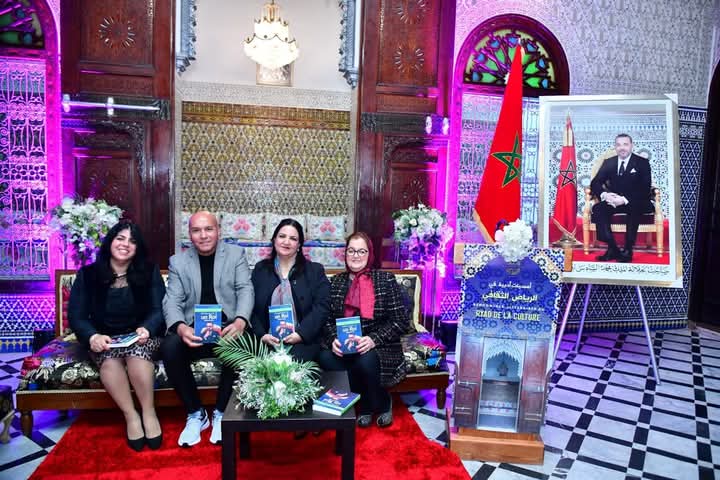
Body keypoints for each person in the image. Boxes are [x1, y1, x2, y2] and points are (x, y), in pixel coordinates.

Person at [68, 221, 165, 452]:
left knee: (138, 357)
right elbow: (76, 316)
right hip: (105, 338)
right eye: (120, 238)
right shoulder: (88, 274)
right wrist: (92, 336)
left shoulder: (149, 271)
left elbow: (159, 309)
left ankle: (148, 412)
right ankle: (131, 416)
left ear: (137, 248)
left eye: (132, 241)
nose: (125, 244)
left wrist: (148, 328)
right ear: (110, 241)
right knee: (110, 362)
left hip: (141, 336)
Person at [161, 211, 254, 447]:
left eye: (208, 229)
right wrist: (181, 328)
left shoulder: (235, 254)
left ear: (218, 231)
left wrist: (240, 321)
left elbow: (245, 289)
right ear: (190, 235)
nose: (203, 235)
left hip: (226, 327)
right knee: (170, 346)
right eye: (196, 230)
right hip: (194, 331)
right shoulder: (178, 262)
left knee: (242, 342)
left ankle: (221, 413)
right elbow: (172, 300)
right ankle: (196, 413)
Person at [317, 231, 408, 428]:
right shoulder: (335, 282)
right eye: (351, 251)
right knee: (325, 357)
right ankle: (368, 398)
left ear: (369, 254)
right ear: (345, 254)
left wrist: (373, 339)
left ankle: (374, 404)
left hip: (379, 346)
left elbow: (401, 321)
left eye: (361, 251)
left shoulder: (385, 280)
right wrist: (334, 340)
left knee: (364, 359)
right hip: (345, 345)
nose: (356, 255)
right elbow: (326, 320)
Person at [250, 218, 330, 363]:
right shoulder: (260, 269)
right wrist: (262, 335)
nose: (286, 242)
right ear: (274, 240)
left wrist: (301, 334)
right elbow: (251, 307)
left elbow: (322, 308)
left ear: (299, 245)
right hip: (266, 340)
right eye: (282, 236)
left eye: (293, 239)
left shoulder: (314, 271)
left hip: (303, 341)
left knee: (290, 365)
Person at [590, 133, 653, 262]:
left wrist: (624, 200)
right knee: (598, 208)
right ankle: (612, 248)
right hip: (615, 200)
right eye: (618, 145)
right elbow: (595, 182)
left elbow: (645, 188)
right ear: (615, 147)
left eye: (625, 144)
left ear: (631, 146)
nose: (622, 148)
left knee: (634, 208)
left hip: (637, 200)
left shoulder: (642, 163)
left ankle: (628, 249)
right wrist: (605, 195)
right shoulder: (609, 162)